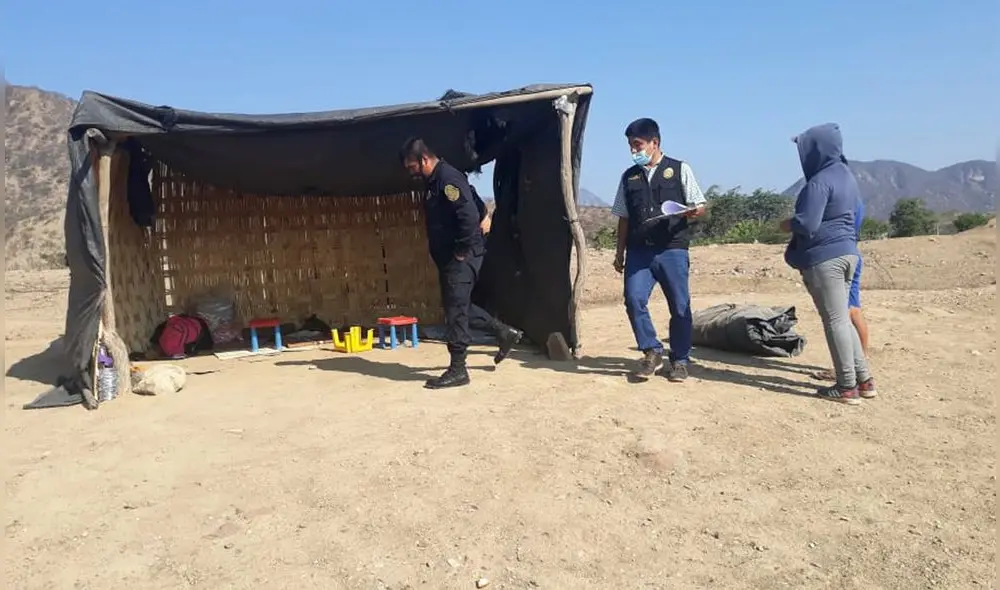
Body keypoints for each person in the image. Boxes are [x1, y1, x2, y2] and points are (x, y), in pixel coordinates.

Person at [399, 138, 521, 388]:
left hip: (461, 257)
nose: (411, 172)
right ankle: (503, 332)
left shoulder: (448, 179)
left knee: (456, 311)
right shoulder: (437, 181)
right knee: (457, 305)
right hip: (452, 257)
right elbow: (476, 203)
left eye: (412, 166)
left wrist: (463, 250)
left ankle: (458, 369)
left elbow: (467, 215)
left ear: (424, 159)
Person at [780, 123, 877, 405]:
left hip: (825, 258)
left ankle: (846, 386)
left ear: (816, 150)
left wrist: (787, 224)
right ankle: (864, 379)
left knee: (835, 321)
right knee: (842, 318)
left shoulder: (819, 182)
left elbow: (807, 223)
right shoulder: (846, 175)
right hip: (848, 253)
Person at [610, 118, 707, 382]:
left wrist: (692, 211)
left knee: (680, 306)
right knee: (633, 299)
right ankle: (651, 351)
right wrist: (619, 252)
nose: (634, 150)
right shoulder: (628, 177)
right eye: (630, 146)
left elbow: (699, 205)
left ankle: (680, 361)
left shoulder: (679, 169)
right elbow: (623, 217)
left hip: (672, 249)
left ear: (655, 142)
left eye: (638, 144)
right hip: (639, 252)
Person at [812, 191, 871, 382]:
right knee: (851, 309)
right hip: (850, 251)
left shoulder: (842, 201)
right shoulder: (853, 199)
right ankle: (858, 363)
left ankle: (855, 365)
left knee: (848, 311)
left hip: (837, 254)